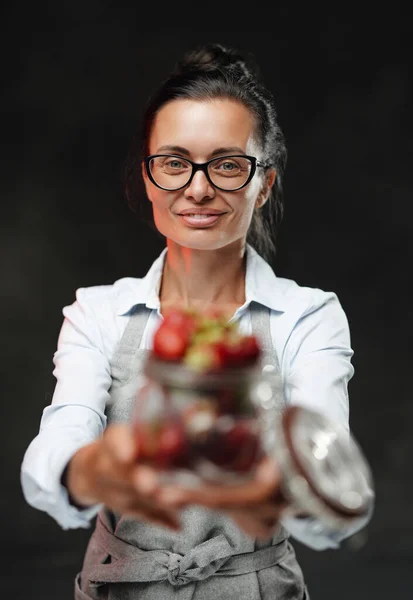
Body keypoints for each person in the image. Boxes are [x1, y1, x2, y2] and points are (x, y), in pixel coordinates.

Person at [20, 42, 373, 599]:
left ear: (265, 186)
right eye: (174, 162)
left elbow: (330, 476)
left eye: (229, 164)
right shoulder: (99, 312)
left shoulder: (308, 316)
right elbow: (59, 443)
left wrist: (283, 495)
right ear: (149, 176)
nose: (199, 186)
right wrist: (90, 471)